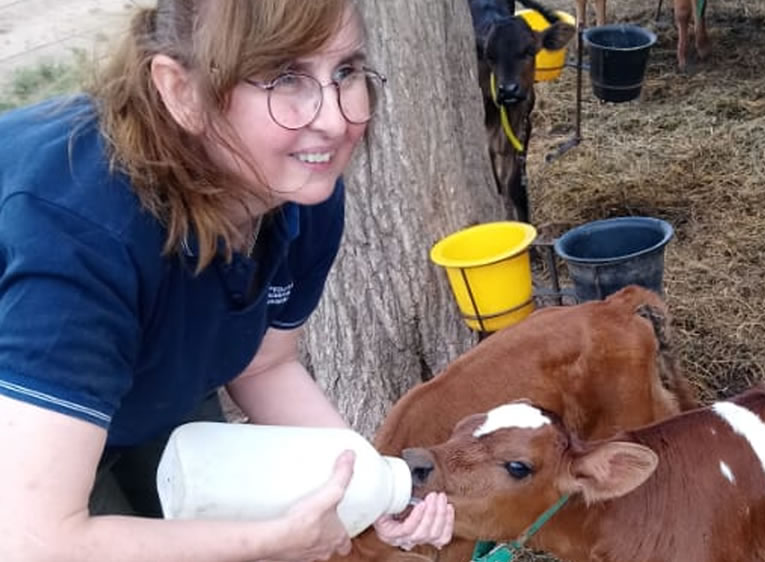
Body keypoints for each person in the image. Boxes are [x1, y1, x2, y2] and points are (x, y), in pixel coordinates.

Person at [0, 1, 454, 560]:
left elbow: (265, 363)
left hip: (136, 385)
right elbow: (34, 539)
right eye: (286, 77)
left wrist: (374, 487)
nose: (336, 119)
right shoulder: (83, 232)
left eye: (345, 72)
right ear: (181, 91)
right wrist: (267, 543)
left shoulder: (296, 190)